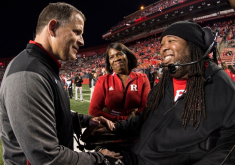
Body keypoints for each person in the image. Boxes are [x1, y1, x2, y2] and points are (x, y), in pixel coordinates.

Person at [92, 20, 235, 164]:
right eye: (161, 45)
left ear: (192, 46)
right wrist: (113, 126)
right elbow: (143, 120)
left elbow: (230, 145)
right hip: (135, 157)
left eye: (171, 41)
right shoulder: (163, 86)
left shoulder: (219, 84)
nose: (163, 49)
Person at [0, 3, 122, 164]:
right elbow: (46, 157)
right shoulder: (28, 74)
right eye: (77, 32)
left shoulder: (43, 67)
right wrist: (100, 158)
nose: (82, 41)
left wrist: (88, 120)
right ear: (52, 28)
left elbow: (53, 113)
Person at [89, 42, 151, 121]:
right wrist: (125, 118)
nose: (116, 58)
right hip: (111, 128)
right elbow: (93, 111)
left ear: (127, 57)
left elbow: (146, 107)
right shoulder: (103, 80)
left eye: (119, 54)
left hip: (136, 127)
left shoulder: (142, 78)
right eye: (111, 57)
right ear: (110, 63)